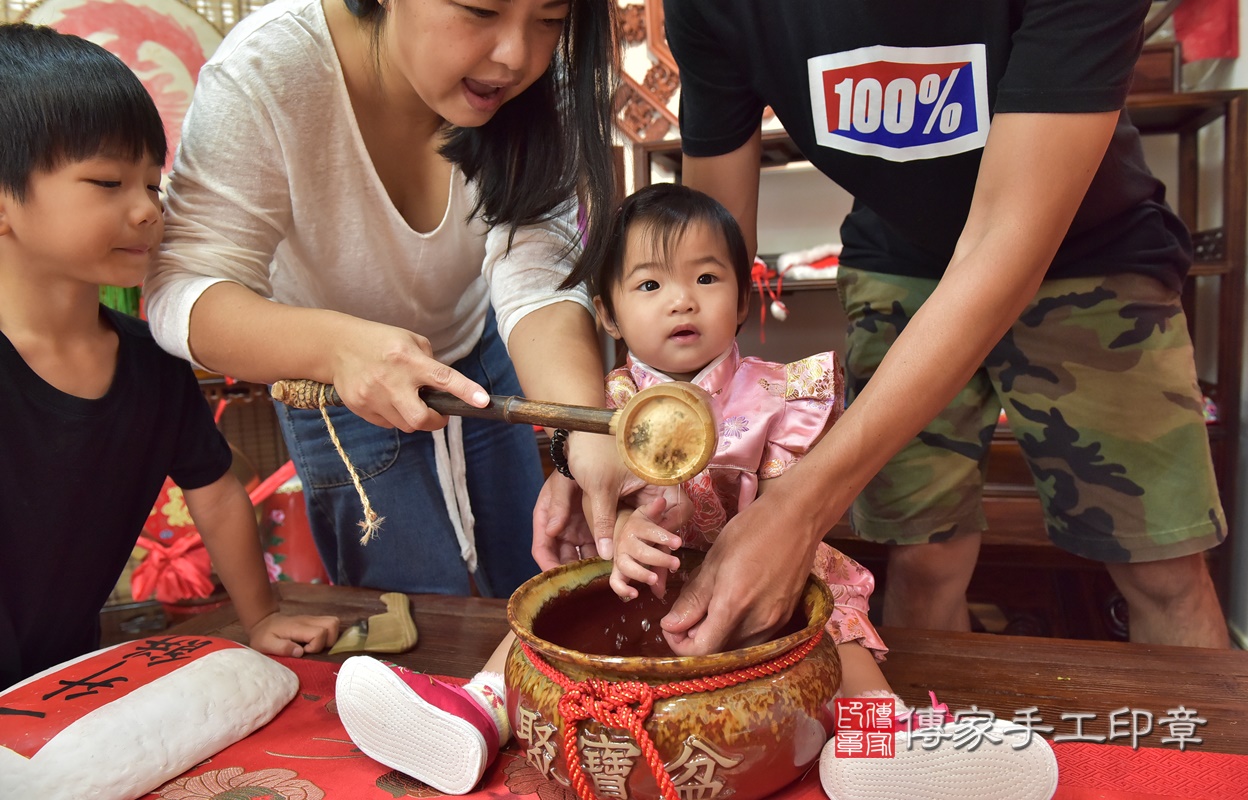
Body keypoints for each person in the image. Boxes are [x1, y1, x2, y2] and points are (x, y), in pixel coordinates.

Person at [539, 0, 1230, 655]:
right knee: (923, 558)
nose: (680, 300)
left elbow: (1003, 240)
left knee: (1161, 568)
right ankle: (923, 757)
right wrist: (615, 444)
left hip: (1090, 254)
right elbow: (710, 243)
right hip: (896, 255)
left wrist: (800, 509)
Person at [331, 185, 1058, 799]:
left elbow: (789, 506)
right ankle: (478, 708)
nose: (681, 299)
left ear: (742, 296)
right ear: (609, 315)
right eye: (649, 284)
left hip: (764, 572)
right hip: (640, 577)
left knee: (827, 607)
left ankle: (879, 731)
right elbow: (589, 495)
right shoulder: (600, 404)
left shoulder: (781, 395)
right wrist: (620, 525)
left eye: (706, 279)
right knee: (551, 602)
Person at [144, 0, 625, 597]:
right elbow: (181, 286)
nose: (516, 57)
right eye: (480, 10)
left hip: (482, 349)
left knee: (534, 585)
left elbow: (537, 281)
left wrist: (577, 430)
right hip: (327, 371)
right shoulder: (269, 70)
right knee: (412, 610)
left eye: (550, 20)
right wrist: (338, 349)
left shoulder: (540, 85)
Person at [0, 23, 340, 690]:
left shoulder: (152, 363)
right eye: (106, 183)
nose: (147, 212)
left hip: (64, 681)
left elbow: (214, 493)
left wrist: (260, 617)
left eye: (152, 185)